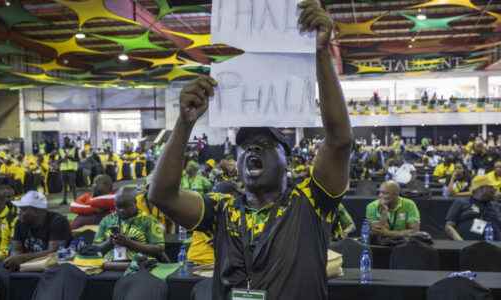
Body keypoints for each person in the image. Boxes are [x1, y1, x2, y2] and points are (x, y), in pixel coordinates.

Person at [149, 1, 353, 298]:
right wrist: (184, 123)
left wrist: (321, 54)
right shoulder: (222, 209)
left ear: (288, 160)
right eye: (244, 146)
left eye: (267, 144)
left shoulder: (310, 201)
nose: (252, 149)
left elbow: (339, 141)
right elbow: (161, 196)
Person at [445, 176, 501, 241]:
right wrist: (461, 243)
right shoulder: (461, 202)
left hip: (494, 249)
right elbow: (449, 226)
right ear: (481, 189)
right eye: (491, 187)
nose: (495, 190)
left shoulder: (497, 206)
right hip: (465, 249)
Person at [93, 186, 165, 262]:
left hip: (141, 267)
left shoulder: (148, 220)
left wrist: (129, 243)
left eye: (126, 206)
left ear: (135, 202)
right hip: (111, 266)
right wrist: (109, 243)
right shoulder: (107, 220)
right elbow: (95, 248)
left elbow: (159, 248)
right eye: (118, 206)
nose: (122, 210)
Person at [4, 191, 72, 271]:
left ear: (38, 211)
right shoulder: (20, 222)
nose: (19, 213)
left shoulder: (58, 221)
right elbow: (16, 248)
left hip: (54, 269)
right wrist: (14, 258)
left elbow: (54, 253)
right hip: (27, 267)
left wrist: (22, 258)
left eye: (23, 209)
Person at [59, 138, 79, 205]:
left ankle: (76, 200)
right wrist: (62, 159)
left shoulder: (74, 149)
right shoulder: (61, 149)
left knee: (73, 185)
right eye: (65, 141)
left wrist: (70, 158)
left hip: (71, 170)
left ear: (69, 141)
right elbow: (58, 160)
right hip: (63, 169)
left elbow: (77, 159)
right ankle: (64, 200)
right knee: (64, 186)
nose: (66, 142)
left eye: (67, 141)